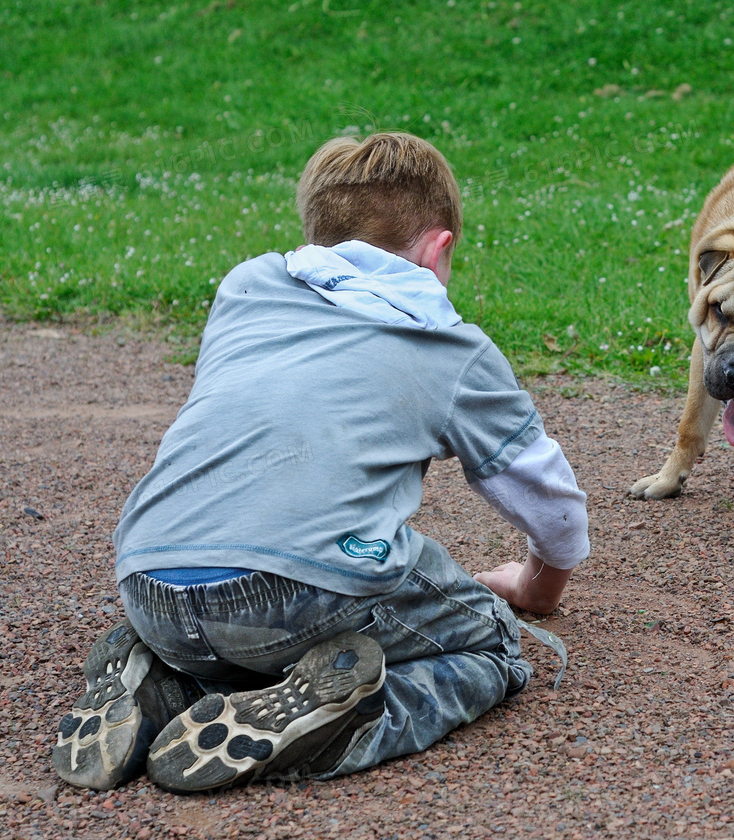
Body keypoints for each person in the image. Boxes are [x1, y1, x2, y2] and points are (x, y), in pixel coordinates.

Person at [51, 132, 590, 793]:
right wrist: (540, 585)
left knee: (253, 635)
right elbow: (552, 503)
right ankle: (341, 728)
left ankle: (164, 685)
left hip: (147, 585)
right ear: (439, 247)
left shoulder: (246, 287)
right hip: (297, 591)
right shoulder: (447, 345)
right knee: (491, 645)